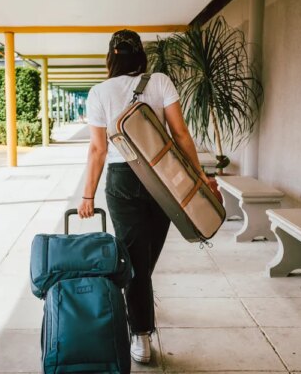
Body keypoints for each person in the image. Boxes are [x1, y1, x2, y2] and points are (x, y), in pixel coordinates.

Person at [78, 29, 216, 364]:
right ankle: (140, 330)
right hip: (163, 177)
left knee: (138, 261)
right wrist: (197, 175)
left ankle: (136, 319)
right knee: (143, 257)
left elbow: (98, 149)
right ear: (141, 55)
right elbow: (180, 133)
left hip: (122, 179)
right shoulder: (160, 81)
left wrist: (88, 195)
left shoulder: (99, 92)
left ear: (110, 57)